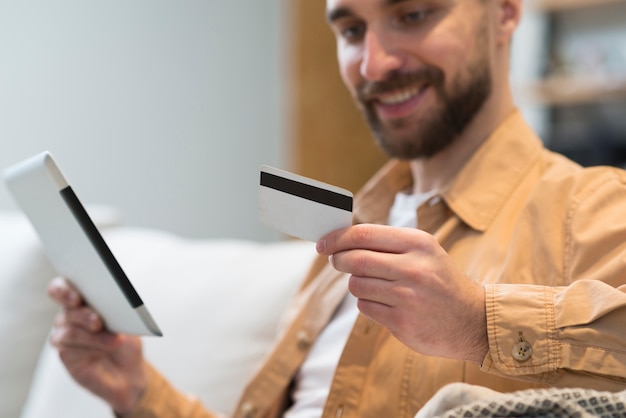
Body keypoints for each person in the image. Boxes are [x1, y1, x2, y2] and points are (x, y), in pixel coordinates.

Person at [48, 0, 626, 417]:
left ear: (505, 11)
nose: (374, 65)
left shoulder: (592, 205)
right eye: (351, 29)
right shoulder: (345, 238)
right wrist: (135, 393)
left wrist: (477, 323)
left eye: (413, 15)